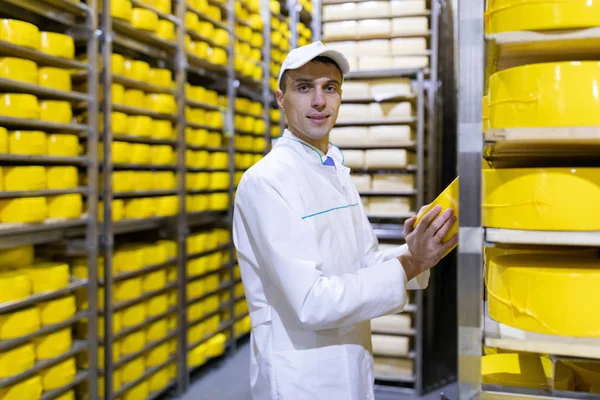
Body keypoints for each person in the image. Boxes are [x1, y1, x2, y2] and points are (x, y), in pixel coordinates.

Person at [232, 41, 457, 400]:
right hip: (301, 379)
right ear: (280, 98)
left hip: (351, 361)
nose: (319, 101)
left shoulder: (334, 170)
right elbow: (311, 301)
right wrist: (410, 262)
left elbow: (361, 264)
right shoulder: (266, 182)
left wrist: (418, 250)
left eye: (330, 88)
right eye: (304, 87)